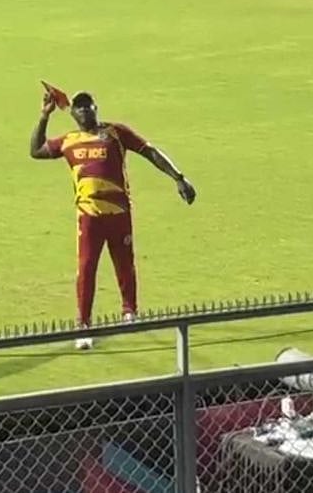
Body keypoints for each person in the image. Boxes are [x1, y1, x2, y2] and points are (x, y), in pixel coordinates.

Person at [30, 90, 197, 350]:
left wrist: (179, 177)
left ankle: (129, 312)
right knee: (86, 268)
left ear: (97, 108)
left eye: (89, 106)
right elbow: (36, 150)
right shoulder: (69, 141)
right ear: (73, 114)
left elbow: (149, 151)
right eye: (80, 108)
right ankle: (83, 325)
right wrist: (44, 116)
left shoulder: (115, 133)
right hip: (89, 216)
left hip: (119, 213)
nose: (85, 111)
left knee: (124, 263)